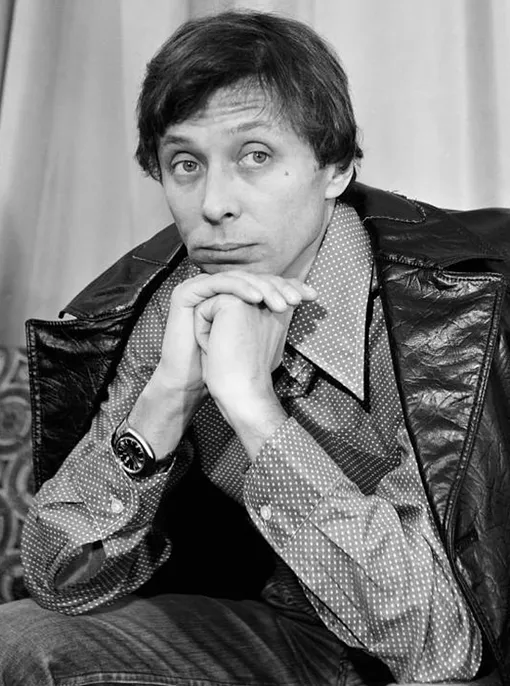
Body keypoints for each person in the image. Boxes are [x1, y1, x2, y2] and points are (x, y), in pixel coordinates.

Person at [1, 9, 509, 686]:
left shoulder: (449, 310)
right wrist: (167, 397)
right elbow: (60, 578)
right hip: (296, 631)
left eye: (256, 156)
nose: (214, 204)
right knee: (16, 644)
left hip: (459, 647)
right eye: (186, 164)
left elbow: (442, 644)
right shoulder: (174, 306)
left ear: (335, 168)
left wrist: (252, 409)